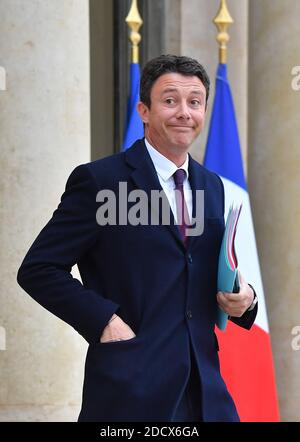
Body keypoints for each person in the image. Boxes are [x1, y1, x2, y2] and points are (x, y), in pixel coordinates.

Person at [17, 54, 258, 422]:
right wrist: (103, 321)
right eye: (170, 100)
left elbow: (203, 267)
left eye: (194, 102)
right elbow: (38, 268)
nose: (184, 112)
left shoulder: (212, 186)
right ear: (144, 110)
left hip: (207, 393)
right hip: (131, 393)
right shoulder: (100, 182)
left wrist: (247, 299)